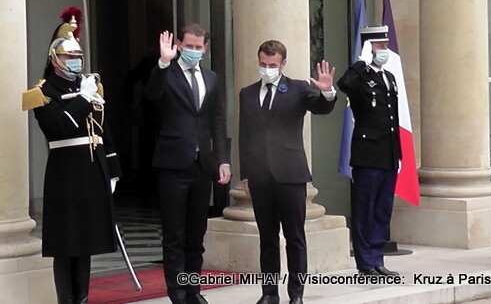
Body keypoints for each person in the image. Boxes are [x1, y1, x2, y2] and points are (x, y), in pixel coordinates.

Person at [23, 7, 123, 303]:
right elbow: (60, 126)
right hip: (66, 172)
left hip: (93, 169)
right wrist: (82, 98)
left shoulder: (89, 85)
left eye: (78, 56)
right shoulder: (43, 92)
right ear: (54, 60)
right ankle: (67, 299)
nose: (75, 62)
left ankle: (82, 298)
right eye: (68, 57)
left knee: (87, 241)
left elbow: (103, 129)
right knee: (67, 243)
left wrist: (113, 167)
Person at [239, 40, 337, 304]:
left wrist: (327, 93)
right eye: (263, 63)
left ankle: (296, 295)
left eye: (272, 64)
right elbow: (244, 136)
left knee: (294, 237)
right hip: (260, 177)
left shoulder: (298, 89)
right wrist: (246, 174)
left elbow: (320, 108)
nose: (267, 68)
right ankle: (269, 294)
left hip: (290, 175)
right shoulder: (247, 93)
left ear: (283, 64)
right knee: (267, 238)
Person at [145, 24, 231, 304]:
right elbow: (151, 95)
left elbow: (217, 121)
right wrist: (162, 62)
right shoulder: (167, 72)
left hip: (201, 165)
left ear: (205, 48)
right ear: (179, 45)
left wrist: (223, 160)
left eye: (199, 47)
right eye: (189, 46)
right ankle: (177, 294)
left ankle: (193, 290)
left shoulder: (212, 78)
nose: (194, 51)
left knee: (196, 235)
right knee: (174, 235)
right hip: (172, 163)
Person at [337, 25, 401, 276]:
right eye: (379, 46)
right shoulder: (359, 76)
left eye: (386, 45)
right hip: (368, 153)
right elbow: (344, 85)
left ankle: (377, 258)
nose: (384, 50)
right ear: (368, 48)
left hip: (388, 152)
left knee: (382, 209)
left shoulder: (389, 77)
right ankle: (365, 262)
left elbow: (392, 117)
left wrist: (399, 154)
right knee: (365, 209)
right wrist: (360, 63)